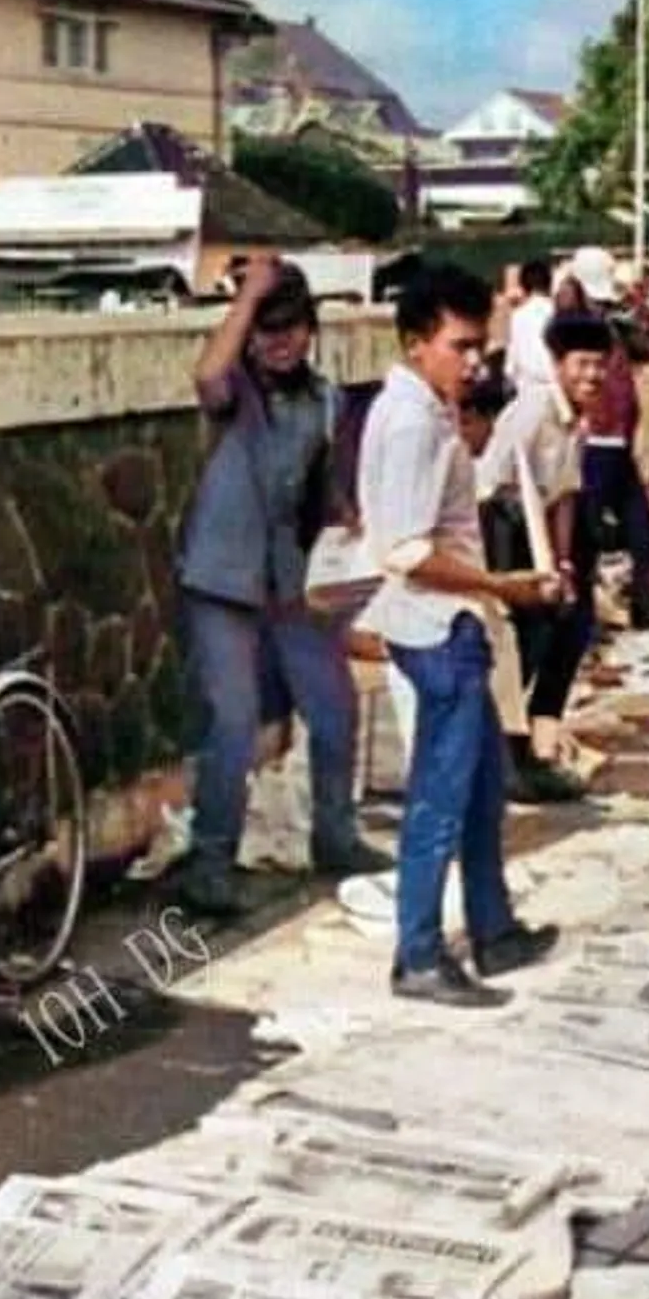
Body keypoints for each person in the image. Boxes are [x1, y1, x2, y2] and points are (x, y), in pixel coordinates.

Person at [356, 263, 561, 1009]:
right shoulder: (412, 419)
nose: (473, 360)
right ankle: (416, 954)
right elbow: (406, 550)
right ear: (417, 343)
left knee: (477, 791)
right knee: (441, 798)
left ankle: (493, 928)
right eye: (460, 345)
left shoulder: (421, 407)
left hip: (451, 625)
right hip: (438, 628)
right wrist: (500, 587)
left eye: (479, 347)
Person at [176, 256, 389, 918]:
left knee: (333, 710)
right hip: (222, 579)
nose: (279, 340)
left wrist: (345, 519)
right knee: (234, 723)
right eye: (267, 329)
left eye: (290, 326)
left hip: (294, 582)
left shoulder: (326, 400)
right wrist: (251, 295)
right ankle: (210, 863)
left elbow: (321, 484)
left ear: (311, 330)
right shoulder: (237, 391)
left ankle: (335, 834)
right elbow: (207, 374)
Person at [477, 311, 613, 803]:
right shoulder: (532, 410)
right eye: (582, 364)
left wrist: (563, 563)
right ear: (558, 363)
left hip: (540, 535)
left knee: (574, 625)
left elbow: (564, 497)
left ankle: (540, 745)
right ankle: (507, 756)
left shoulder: (577, 420)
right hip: (503, 528)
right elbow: (498, 486)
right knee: (524, 641)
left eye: (599, 365)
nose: (591, 376)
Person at [562, 246, 649, 629]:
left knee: (644, 537)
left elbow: (647, 349)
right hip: (594, 445)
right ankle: (582, 629)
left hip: (616, 444)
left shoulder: (610, 329)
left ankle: (644, 620)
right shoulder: (570, 334)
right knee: (588, 544)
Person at [505, 258, 555, 393]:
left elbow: (510, 367)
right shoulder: (556, 312)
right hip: (556, 387)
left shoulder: (518, 316)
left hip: (527, 389)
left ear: (523, 287)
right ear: (549, 283)